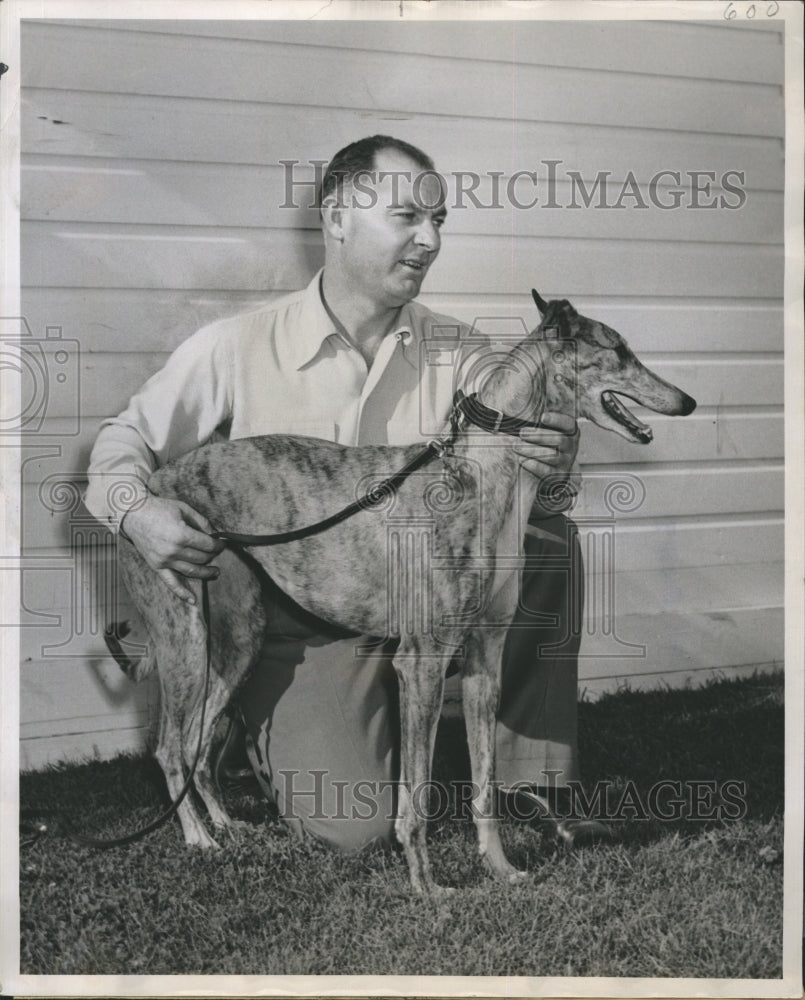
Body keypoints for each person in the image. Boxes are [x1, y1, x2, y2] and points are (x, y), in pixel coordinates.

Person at [85, 135, 606, 852]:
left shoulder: (465, 354)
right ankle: (236, 707)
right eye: (406, 218)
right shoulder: (235, 346)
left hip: (416, 595)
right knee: (353, 825)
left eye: (440, 222)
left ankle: (529, 785)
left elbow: (529, 506)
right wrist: (135, 512)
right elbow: (122, 442)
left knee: (548, 544)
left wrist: (555, 464)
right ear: (336, 218)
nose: (428, 240)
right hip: (300, 618)